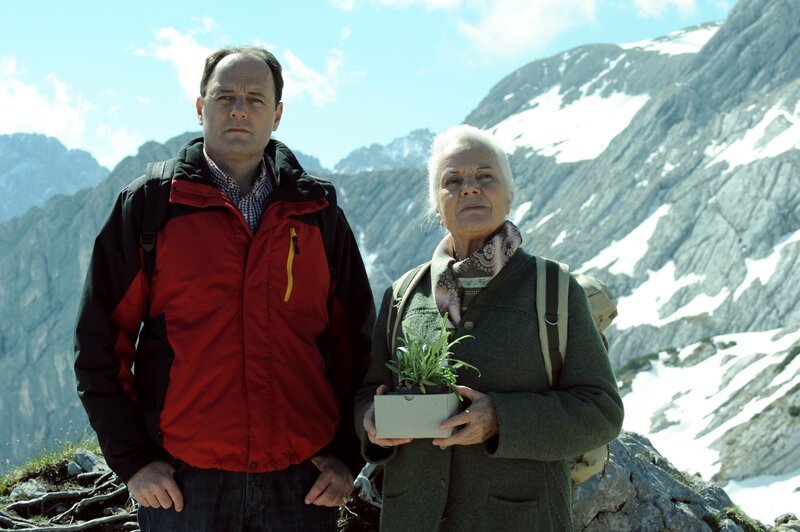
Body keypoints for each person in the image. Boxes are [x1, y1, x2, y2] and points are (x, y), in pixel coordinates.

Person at [75, 46, 375, 531]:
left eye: (255, 99)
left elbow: (357, 347)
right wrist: (133, 461)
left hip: (302, 485)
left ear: (277, 115)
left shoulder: (317, 213)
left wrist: (346, 454)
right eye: (225, 97)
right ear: (201, 107)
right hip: (182, 486)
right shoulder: (151, 206)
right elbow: (99, 344)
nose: (239, 109)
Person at [355, 125, 624, 531]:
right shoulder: (403, 295)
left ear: (509, 194)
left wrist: (500, 419)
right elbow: (367, 393)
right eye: (452, 181)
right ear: (436, 204)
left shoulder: (553, 289)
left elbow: (601, 411)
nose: (470, 187)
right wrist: (371, 421)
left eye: (486, 176)